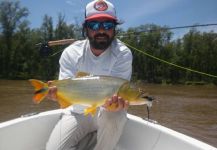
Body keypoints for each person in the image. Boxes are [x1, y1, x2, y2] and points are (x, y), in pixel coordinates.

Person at [46, 0, 132, 150]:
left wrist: (117, 106)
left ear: (114, 29)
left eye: (107, 25)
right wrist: (57, 95)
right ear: (85, 28)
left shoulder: (123, 53)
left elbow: (121, 91)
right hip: (77, 113)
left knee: (115, 117)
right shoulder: (71, 53)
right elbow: (66, 90)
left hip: (107, 112)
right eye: (93, 25)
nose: (101, 31)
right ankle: (92, 139)